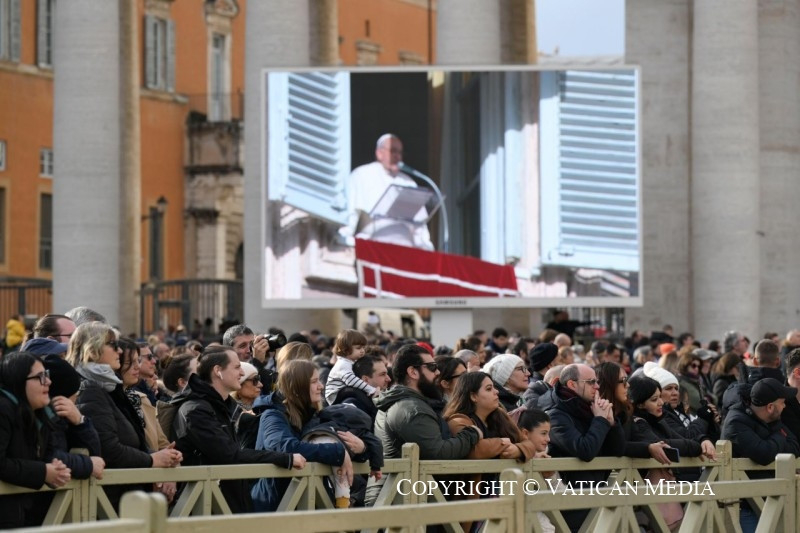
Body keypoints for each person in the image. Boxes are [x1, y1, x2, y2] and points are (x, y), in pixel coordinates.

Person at [173, 346, 305, 513]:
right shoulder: (195, 410)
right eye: (236, 367)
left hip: (228, 504)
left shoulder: (220, 406)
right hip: (205, 510)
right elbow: (231, 454)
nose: (242, 373)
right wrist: (285, 458)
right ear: (218, 371)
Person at [69, 322, 181, 509]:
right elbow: (108, 449)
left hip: (122, 496)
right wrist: (152, 460)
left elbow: (128, 441)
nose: (119, 351)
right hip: (108, 502)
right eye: (113, 345)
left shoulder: (105, 388)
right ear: (93, 349)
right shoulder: (90, 389)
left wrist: (161, 456)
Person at [368, 344, 483, 505]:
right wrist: (472, 434)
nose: (437, 372)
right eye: (432, 367)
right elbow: (439, 452)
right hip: (398, 501)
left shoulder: (401, 401)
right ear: (413, 372)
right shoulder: (411, 409)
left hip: (398, 496)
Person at [251, 360, 361, 512]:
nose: (321, 386)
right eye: (314, 382)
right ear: (297, 387)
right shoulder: (272, 415)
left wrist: (362, 447)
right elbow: (285, 447)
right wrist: (337, 451)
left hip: (307, 504)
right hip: (276, 507)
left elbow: (349, 439)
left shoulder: (313, 414)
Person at [442, 372, 537, 532]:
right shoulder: (458, 420)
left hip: (504, 496)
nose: (496, 391)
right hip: (472, 499)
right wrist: (503, 443)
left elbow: (529, 444)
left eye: (494, 387)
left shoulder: (500, 416)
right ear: (473, 396)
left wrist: (517, 449)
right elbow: (474, 450)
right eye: (488, 389)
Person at [0, 352, 84, 528]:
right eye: (40, 377)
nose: (48, 382)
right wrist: (43, 471)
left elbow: (43, 456)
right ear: (19, 381)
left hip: (21, 517)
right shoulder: (4, 409)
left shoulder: (39, 413)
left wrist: (55, 467)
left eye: (47, 374)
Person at [543, 363, 624, 532]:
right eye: (591, 382)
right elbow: (585, 450)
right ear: (572, 384)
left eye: (597, 381)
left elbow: (617, 450)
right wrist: (600, 420)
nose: (597, 386)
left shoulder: (591, 409)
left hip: (597, 495)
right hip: (571, 501)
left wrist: (611, 423)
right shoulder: (555, 415)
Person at [721, 378, 800, 533]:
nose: (785, 406)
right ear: (770, 407)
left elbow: (795, 446)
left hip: (772, 500)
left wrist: (773, 438)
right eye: (782, 402)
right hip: (746, 505)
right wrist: (778, 435)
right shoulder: (735, 422)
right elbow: (764, 454)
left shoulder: (772, 419)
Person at [339, 133, 433, 250]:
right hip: (373, 244)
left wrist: (425, 245)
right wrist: (346, 241)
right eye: (393, 151)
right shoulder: (362, 174)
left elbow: (419, 224)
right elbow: (351, 214)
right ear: (379, 153)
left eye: (400, 153)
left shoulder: (409, 182)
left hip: (405, 247)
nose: (398, 156)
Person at [116, 337, 176, 502]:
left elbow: (162, 443)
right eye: (131, 362)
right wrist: (155, 462)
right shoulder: (109, 399)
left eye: (138, 360)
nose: (137, 366)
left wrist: (171, 465)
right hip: (126, 490)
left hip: (151, 487)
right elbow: (117, 450)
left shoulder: (141, 399)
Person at [333, 355, 391, 421]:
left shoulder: (375, 399)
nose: (389, 379)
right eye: (382, 374)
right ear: (366, 380)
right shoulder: (352, 406)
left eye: (387, 374)